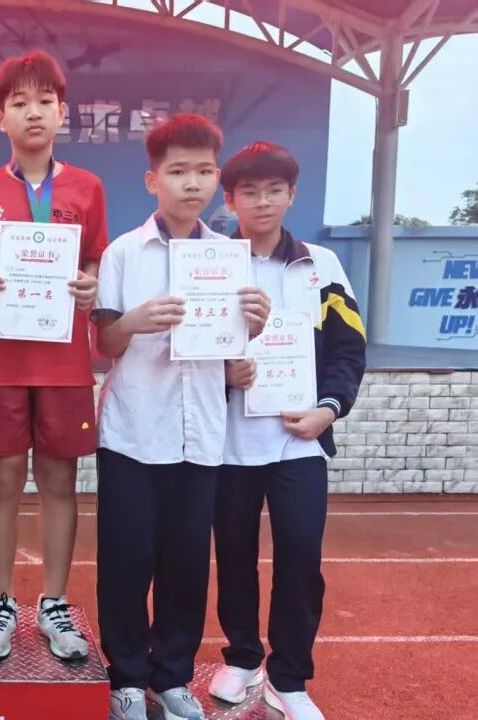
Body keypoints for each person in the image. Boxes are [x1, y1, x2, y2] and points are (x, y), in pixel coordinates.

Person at [93, 114, 270, 720]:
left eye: (203, 171)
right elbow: (105, 344)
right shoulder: (123, 253)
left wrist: (255, 325)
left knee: (187, 565)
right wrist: (133, 322)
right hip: (133, 434)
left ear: (217, 180)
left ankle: (171, 677)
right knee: (126, 562)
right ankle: (125, 677)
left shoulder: (230, 257)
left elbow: (233, 350)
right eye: (177, 171)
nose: (191, 183)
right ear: (153, 180)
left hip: (201, 436)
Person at [208, 142, 366, 720]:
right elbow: (192, 350)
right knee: (234, 556)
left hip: (299, 445)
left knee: (300, 555)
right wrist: (225, 375)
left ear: (292, 195)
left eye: (274, 190)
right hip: (228, 445)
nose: (262, 201)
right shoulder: (213, 264)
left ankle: (289, 678)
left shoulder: (321, 266)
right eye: (249, 192)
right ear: (230, 200)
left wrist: (329, 409)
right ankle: (243, 658)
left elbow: (348, 349)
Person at [0, 50, 105, 662]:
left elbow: (94, 258)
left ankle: (54, 601)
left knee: (58, 481)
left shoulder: (87, 187)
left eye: (44, 101)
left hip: (64, 361)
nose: (33, 112)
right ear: (0, 118)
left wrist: (90, 280)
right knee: (0, 481)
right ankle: (0, 601)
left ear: (62, 112)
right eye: (19, 103)